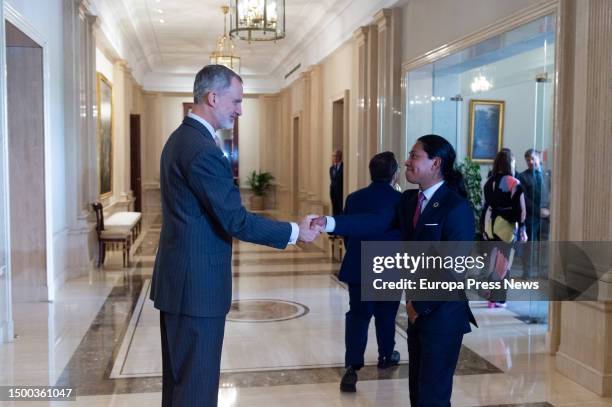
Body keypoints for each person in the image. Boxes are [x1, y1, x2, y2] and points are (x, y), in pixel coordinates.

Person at [150, 65, 321, 407]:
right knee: (196, 389)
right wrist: (294, 231)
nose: (240, 109)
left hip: (181, 283)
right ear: (213, 98)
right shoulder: (202, 149)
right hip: (197, 288)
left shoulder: (180, 139)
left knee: (181, 385)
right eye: (237, 101)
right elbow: (235, 220)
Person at [313, 134, 477, 407]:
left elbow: (452, 267)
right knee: (418, 393)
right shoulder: (410, 200)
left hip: (442, 315)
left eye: (414, 156)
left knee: (433, 397)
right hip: (418, 312)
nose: (407, 161)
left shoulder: (455, 206)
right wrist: (327, 223)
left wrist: (419, 305)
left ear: (435, 163)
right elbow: (375, 222)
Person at [338, 152, 402, 393]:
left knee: (359, 316)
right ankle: (386, 354)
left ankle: (352, 368)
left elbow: (347, 231)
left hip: (359, 264)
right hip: (389, 267)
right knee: (386, 315)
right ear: (394, 173)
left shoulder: (354, 199)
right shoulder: (401, 200)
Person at [480, 149, 527, 308]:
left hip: (489, 225)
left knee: (493, 260)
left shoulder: (488, 181)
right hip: (505, 227)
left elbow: (486, 205)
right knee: (505, 262)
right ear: (510, 163)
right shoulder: (513, 182)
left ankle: (490, 294)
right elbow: (521, 211)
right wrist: (522, 229)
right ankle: (498, 298)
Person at [517, 149, 550, 277]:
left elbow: (554, 194)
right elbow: (524, 199)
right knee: (529, 246)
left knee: (545, 246)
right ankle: (527, 272)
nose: (530, 162)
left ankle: (544, 271)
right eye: (527, 160)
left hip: (547, 217)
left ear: (539, 158)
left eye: (532, 158)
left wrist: (550, 211)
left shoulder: (548, 175)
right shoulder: (522, 176)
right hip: (532, 216)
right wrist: (539, 211)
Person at [329, 150, 344, 216]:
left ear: (340, 157)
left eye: (336, 156)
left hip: (340, 192)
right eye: (333, 156)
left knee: (340, 208)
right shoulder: (331, 168)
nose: (334, 158)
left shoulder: (343, 167)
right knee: (334, 208)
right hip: (333, 192)